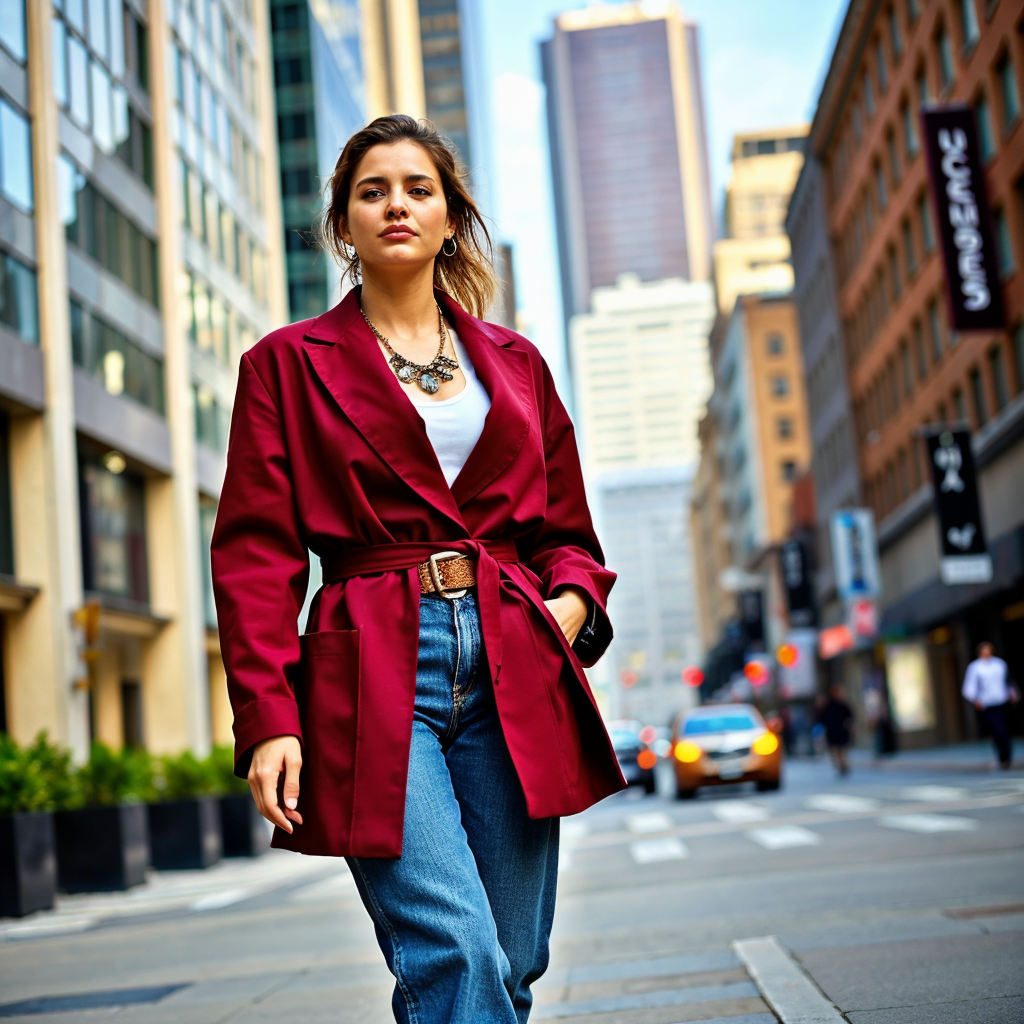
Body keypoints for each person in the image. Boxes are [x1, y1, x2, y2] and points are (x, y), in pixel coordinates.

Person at [210, 115, 625, 1024]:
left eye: (417, 188)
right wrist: (268, 718)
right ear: (343, 225)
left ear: (449, 217)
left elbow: (569, 535)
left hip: (516, 653)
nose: (395, 203)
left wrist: (563, 606)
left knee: (513, 958)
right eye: (371, 190)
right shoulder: (284, 366)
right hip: (373, 662)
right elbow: (255, 555)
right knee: (456, 950)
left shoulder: (517, 365)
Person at [962, 643, 1018, 769]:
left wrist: (1012, 694)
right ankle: (1001, 754)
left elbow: (1008, 681)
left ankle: (1006, 754)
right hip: (987, 704)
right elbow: (969, 687)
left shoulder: (999, 664)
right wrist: (975, 699)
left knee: (1004, 729)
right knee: (996, 730)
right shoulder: (975, 667)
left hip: (1002, 702)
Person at [818, 684, 855, 776]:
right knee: (835, 750)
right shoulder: (828, 705)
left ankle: (843, 765)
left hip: (840, 730)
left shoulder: (842, 704)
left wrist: (851, 727)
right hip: (832, 731)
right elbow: (822, 718)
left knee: (841, 749)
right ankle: (840, 766)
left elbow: (849, 717)